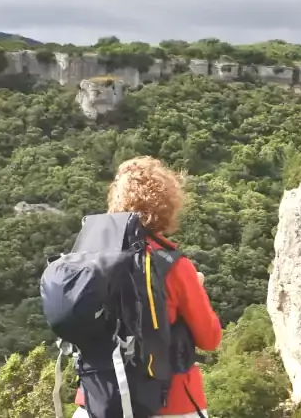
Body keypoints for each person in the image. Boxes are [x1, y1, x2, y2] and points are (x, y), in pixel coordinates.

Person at [72, 156, 223, 417]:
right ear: (167, 205)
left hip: (97, 401)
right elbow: (210, 339)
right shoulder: (173, 266)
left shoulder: (92, 260)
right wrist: (197, 287)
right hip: (171, 403)